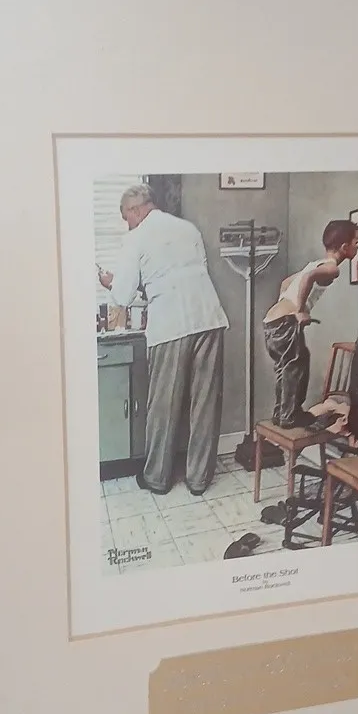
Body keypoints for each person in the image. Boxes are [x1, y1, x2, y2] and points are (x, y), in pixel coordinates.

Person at [97, 183, 229, 495]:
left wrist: (109, 282)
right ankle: (199, 479)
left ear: (135, 210)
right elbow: (187, 274)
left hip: (171, 324)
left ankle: (157, 478)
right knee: (205, 404)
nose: (127, 224)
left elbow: (123, 296)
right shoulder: (188, 228)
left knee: (163, 406)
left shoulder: (136, 237)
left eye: (126, 217)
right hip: (209, 317)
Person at [262, 219, 358, 428]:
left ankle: (281, 413)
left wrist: (286, 305)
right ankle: (290, 416)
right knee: (296, 368)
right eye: (356, 242)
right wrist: (299, 311)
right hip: (285, 322)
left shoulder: (316, 263)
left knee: (287, 367)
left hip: (272, 322)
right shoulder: (332, 268)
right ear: (344, 247)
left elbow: (286, 283)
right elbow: (308, 278)